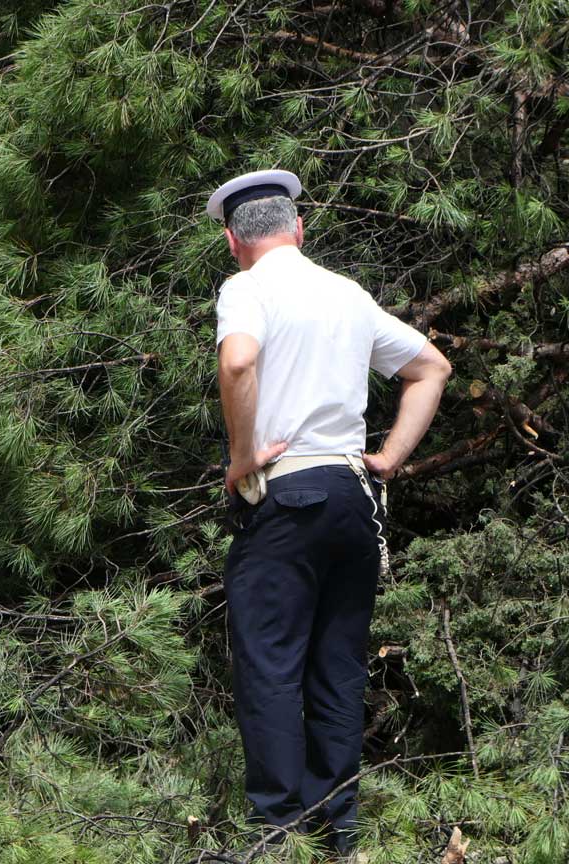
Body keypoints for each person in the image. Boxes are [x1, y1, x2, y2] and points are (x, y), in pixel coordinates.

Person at [209, 169, 452, 857]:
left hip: (286, 496)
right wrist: (390, 457)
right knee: (337, 670)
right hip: (353, 496)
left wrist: (242, 457)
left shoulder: (246, 288)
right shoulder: (348, 293)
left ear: (233, 241)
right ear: (299, 228)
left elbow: (238, 363)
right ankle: (337, 837)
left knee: (270, 668)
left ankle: (279, 837)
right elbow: (432, 368)